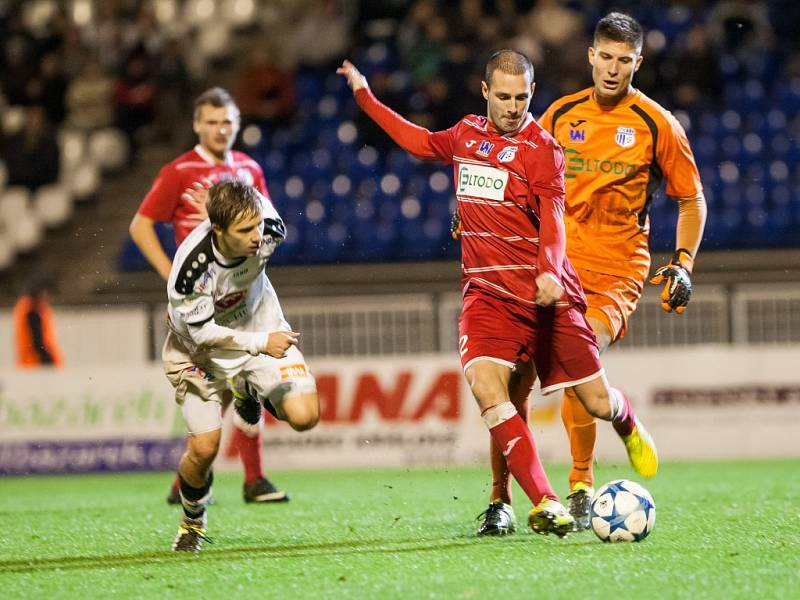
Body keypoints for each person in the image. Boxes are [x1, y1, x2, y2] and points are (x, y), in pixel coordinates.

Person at [337, 50, 657, 538]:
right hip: (487, 295)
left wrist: (550, 270)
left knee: (593, 401)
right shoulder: (466, 134)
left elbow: (553, 222)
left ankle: (627, 419)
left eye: (522, 97)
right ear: (485, 91)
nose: (512, 106)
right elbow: (418, 142)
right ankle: (546, 500)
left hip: (546, 297)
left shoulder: (542, 148)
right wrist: (364, 96)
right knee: (490, 389)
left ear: (532, 94)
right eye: (503, 96)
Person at [529, 11, 706, 532]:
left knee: (579, 359)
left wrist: (684, 264)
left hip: (618, 269)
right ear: (590, 55)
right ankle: (610, 439)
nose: (611, 69)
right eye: (604, 57)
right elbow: (522, 171)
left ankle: (581, 482)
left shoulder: (657, 124)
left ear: (638, 62)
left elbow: (691, 200)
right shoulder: (560, 115)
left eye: (623, 60)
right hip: (561, 265)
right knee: (574, 377)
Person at [129, 87, 287, 505]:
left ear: (238, 124)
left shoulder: (249, 168)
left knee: (247, 375)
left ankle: (254, 478)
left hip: (240, 288)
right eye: (212, 122)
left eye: (228, 121)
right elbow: (141, 225)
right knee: (209, 383)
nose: (221, 129)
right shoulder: (180, 170)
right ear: (197, 125)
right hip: (199, 293)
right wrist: (169, 274)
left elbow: (266, 220)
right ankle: (195, 475)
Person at [166, 180, 320, 552]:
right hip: (197, 352)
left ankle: (248, 390)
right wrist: (261, 345)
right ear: (217, 230)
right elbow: (202, 335)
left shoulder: (270, 228)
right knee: (204, 449)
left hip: (260, 324)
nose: (256, 236)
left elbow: (251, 201)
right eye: (244, 230)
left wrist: (262, 339)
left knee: (305, 415)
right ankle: (192, 522)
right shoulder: (192, 271)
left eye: (256, 225)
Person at [13, 275, 64, 369]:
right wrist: (48, 360)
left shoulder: (27, 307)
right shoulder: (32, 310)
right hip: (37, 364)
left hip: (30, 363)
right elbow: (37, 340)